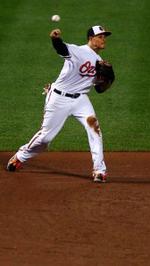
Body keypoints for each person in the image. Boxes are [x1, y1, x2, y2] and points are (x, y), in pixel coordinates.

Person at [6, 25, 113, 183]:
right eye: (100, 36)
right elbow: (61, 49)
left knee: (95, 130)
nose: (103, 39)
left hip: (81, 100)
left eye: (105, 36)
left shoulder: (100, 62)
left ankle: (99, 171)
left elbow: (99, 89)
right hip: (59, 98)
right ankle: (20, 156)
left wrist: (108, 80)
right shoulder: (78, 50)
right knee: (45, 138)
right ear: (91, 38)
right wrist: (55, 38)